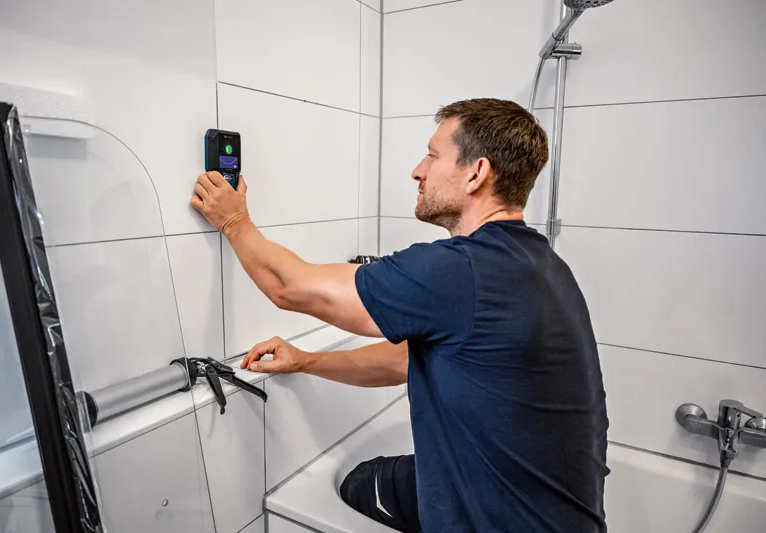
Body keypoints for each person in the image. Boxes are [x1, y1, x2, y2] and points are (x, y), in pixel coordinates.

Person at [191, 98, 609, 533]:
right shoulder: (539, 264)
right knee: (366, 481)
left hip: (500, 520)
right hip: (555, 514)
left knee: (361, 485)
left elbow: (288, 286)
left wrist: (234, 221)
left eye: (432, 155)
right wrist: (308, 360)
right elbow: (411, 359)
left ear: (477, 172)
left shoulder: (459, 268)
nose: (418, 170)